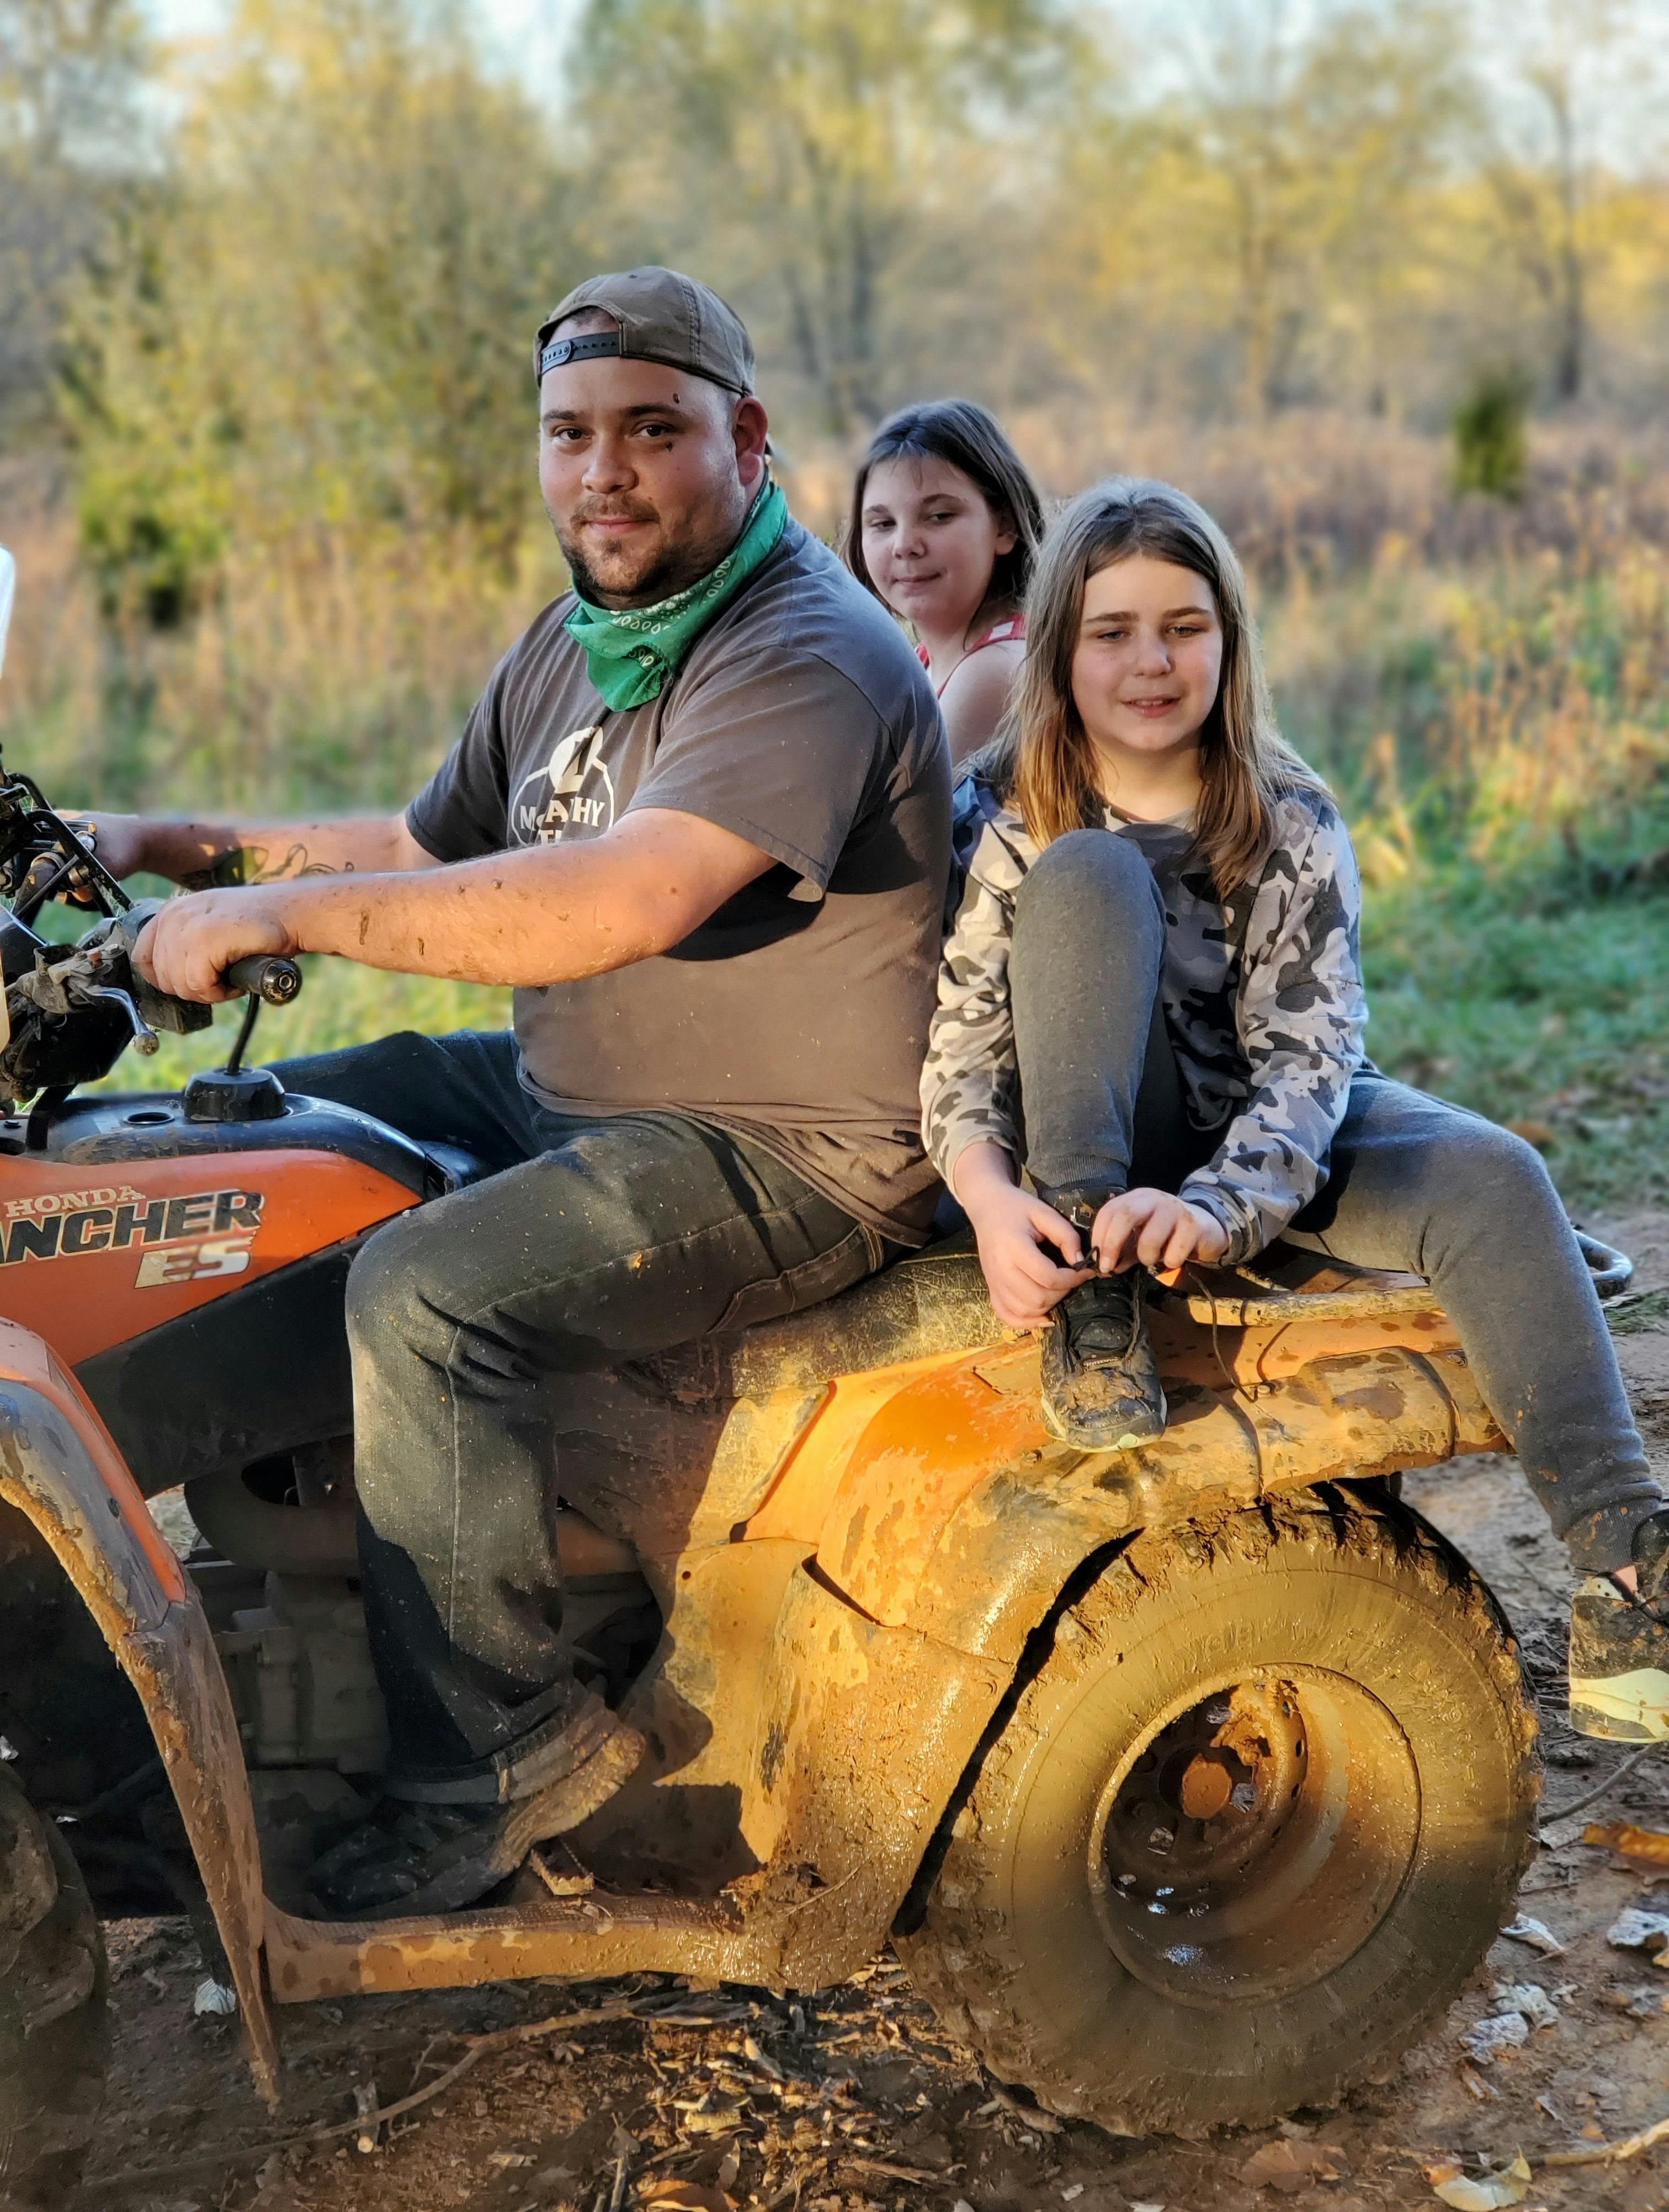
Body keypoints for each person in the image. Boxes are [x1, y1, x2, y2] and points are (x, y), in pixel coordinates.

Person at [84, 266, 952, 1912]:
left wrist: (270, 917)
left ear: (748, 441)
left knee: (421, 1294)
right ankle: (134, 1724)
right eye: (570, 436)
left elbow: (617, 900)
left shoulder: (805, 648)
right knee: (234, 1165)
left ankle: (503, 1756)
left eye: (650, 431)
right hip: (569, 1085)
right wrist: (174, 846)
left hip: (780, 1152)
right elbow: (422, 855)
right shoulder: (579, 639)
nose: (603, 472)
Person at [920, 473, 1669, 1744]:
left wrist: (1218, 1211)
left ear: (1229, 642)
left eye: (1185, 628)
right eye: (1114, 633)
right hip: (1093, 1135)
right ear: (1060, 652)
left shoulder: (1289, 814)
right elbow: (961, 1056)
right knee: (1091, 872)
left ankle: (1628, 1565)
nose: (1152, 663)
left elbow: (1311, 1067)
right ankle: (1099, 1318)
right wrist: (993, 1201)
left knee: (1496, 1174)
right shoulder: (1005, 815)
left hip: (1255, 1140)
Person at [843, 400, 1043, 768]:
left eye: (938, 516)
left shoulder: (993, 672)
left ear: (1006, 527)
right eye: (883, 524)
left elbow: (902, 822)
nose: (905, 545)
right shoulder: (922, 663)